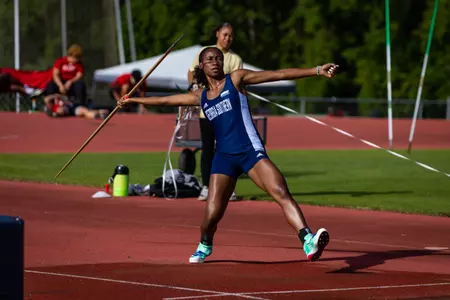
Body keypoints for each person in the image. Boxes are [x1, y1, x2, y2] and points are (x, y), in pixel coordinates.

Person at [119, 46, 339, 264]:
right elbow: (166, 101)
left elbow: (277, 74)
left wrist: (317, 70)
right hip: (224, 159)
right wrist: (133, 100)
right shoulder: (201, 96)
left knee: (281, 191)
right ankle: (205, 244)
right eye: (210, 59)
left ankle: (308, 239)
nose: (215, 61)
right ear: (202, 65)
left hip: (250, 152)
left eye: (218, 58)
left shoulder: (236, 79)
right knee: (211, 215)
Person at [187, 22, 243, 201]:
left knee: (226, 149)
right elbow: (191, 72)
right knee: (207, 149)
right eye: (225, 34)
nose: (228, 39)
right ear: (217, 34)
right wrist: (194, 85)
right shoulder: (205, 53)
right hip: (208, 113)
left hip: (227, 113)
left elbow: (239, 83)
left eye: (231, 36)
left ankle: (228, 187)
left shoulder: (235, 59)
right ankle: (205, 186)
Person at [44, 94, 108, 119]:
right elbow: (62, 111)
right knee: (83, 111)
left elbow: (46, 99)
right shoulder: (55, 109)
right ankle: (98, 114)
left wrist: (57, 96)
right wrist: (62, 105)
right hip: (72, 110)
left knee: (85, 111)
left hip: (74, 105)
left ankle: (99, 112)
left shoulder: (56, 102)